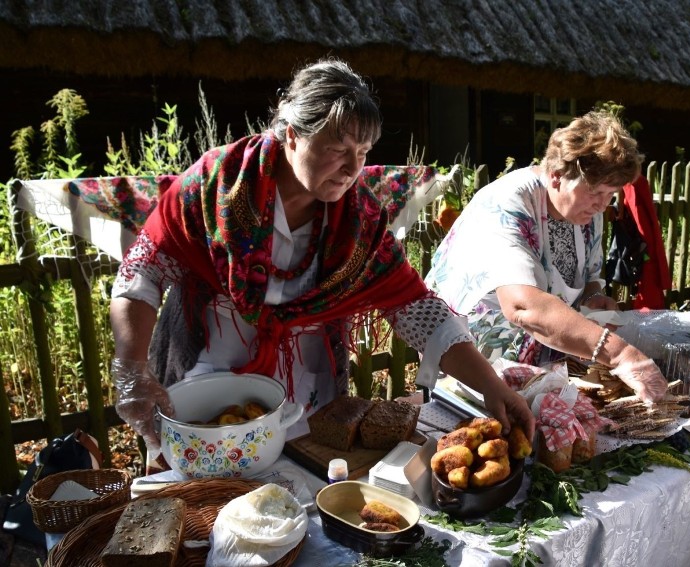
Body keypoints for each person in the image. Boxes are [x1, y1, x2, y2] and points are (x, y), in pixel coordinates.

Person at [109, 58, 535, 456]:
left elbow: (415, 307)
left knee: (301, 503)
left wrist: (491, 386)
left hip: (309, 396)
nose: (353, 168)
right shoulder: (215, 185)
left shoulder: (360, 222)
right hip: (205, 382)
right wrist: (131, 371)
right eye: (338, 147)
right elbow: (142, 270)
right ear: (292, 134)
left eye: (364, 151)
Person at [425, 111, 668, 402]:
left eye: (611, 195)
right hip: (468, 364)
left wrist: (592, 299)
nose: (603, 205)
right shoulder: (508, 204)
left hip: (530, 368)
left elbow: (590, 276)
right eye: (597, 193)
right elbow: (523, 307)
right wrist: (619, 354)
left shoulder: (587, 210)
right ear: (557, 176)